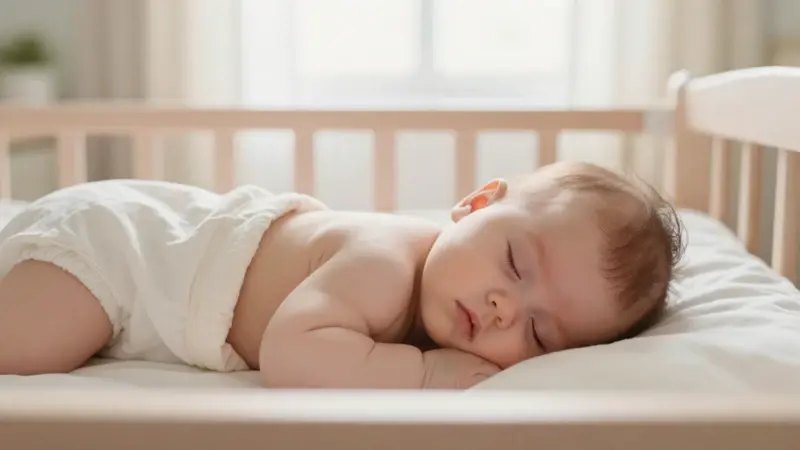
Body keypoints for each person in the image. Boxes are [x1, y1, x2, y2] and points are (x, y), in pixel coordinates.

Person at [0, 160, 684, 389]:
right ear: (474, 204)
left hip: (146, 264)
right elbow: (291, 352)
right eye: (514, 264)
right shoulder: (382, 264)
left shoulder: (439, 297)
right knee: (23, 349)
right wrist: (423, 374)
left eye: (539, 333)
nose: (506, 307)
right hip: (119, 252)